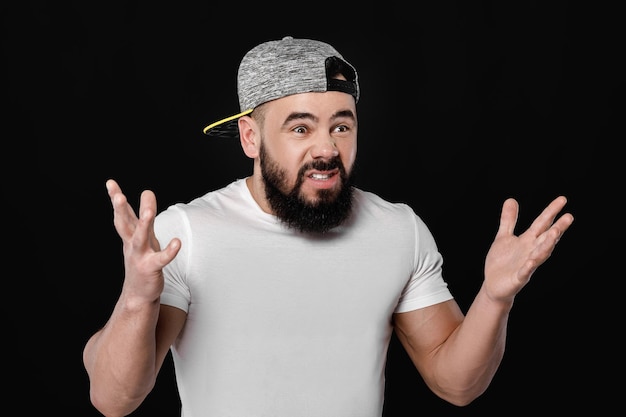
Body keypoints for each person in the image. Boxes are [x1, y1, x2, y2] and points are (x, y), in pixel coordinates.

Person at [82, 36, 574, 417]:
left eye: (341, 125)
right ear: (250, 137)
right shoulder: (185, 235)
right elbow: (113, 399)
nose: (326, 149)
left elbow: (457, 383)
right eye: (300, 128)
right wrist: (137, 297)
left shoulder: (397, 231)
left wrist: (494, 297)